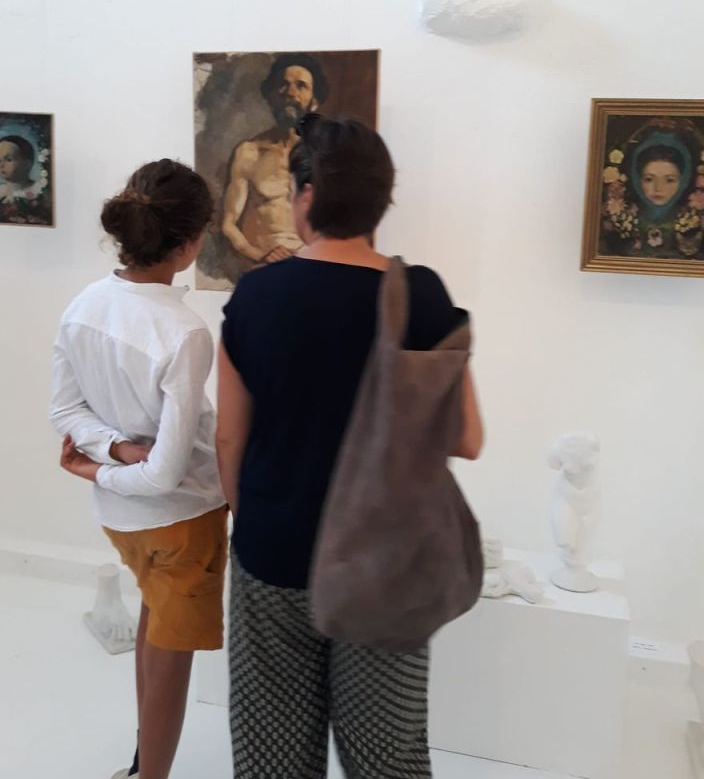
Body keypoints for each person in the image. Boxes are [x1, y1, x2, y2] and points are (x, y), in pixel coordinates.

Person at [216, 114, 484, 778]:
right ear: (380, 201)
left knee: (273, 756)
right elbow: (467, 437)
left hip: (274, 553)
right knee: (386, 757)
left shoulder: (256, 296)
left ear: (306, 195)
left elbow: (229, 436)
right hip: (385, 563)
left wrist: (256, 522)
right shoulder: (420, 296)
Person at [49, 159, 227, 779]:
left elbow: (65, 411)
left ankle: (140, 765)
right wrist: (114, 463)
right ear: (191, 241)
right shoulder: (185, 332)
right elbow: (164, 475)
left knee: (154, 634)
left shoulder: (84, 305)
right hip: (183, 520)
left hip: (123, 521)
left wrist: (109, 454)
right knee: (170, 661)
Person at [221, 53, 329, 266]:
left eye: (301, 86)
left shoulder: (324, 157)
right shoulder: (248, 152)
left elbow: (336, 227)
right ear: (270, 95)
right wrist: (261, 256)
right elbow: (229, 225)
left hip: (310, 268)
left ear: (314, 102)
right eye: (283, 84)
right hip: (259, 268)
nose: (290, 92)